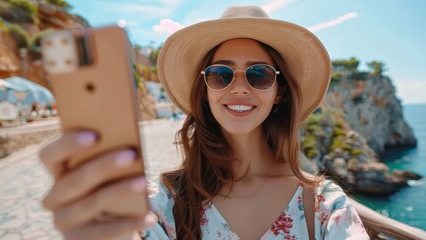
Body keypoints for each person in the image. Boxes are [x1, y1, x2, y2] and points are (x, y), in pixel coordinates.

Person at [39, 5, 370, 240]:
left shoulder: (325, 206)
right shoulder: (163, 203)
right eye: (220, 74)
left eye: (259, 74)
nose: (239, 86)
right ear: (206, 90)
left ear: (278, 91)